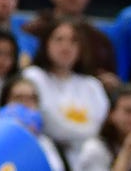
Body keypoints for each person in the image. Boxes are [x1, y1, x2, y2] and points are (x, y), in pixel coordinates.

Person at [24, 18, 111, 168]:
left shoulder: (92, 85)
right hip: (48, 152)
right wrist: (84, 132)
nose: (66, 46)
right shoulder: (33, 77)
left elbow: (101, 127)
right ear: (46, 44)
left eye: (74, 41)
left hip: (88, 156)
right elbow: (50, 124)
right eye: (59, 39)